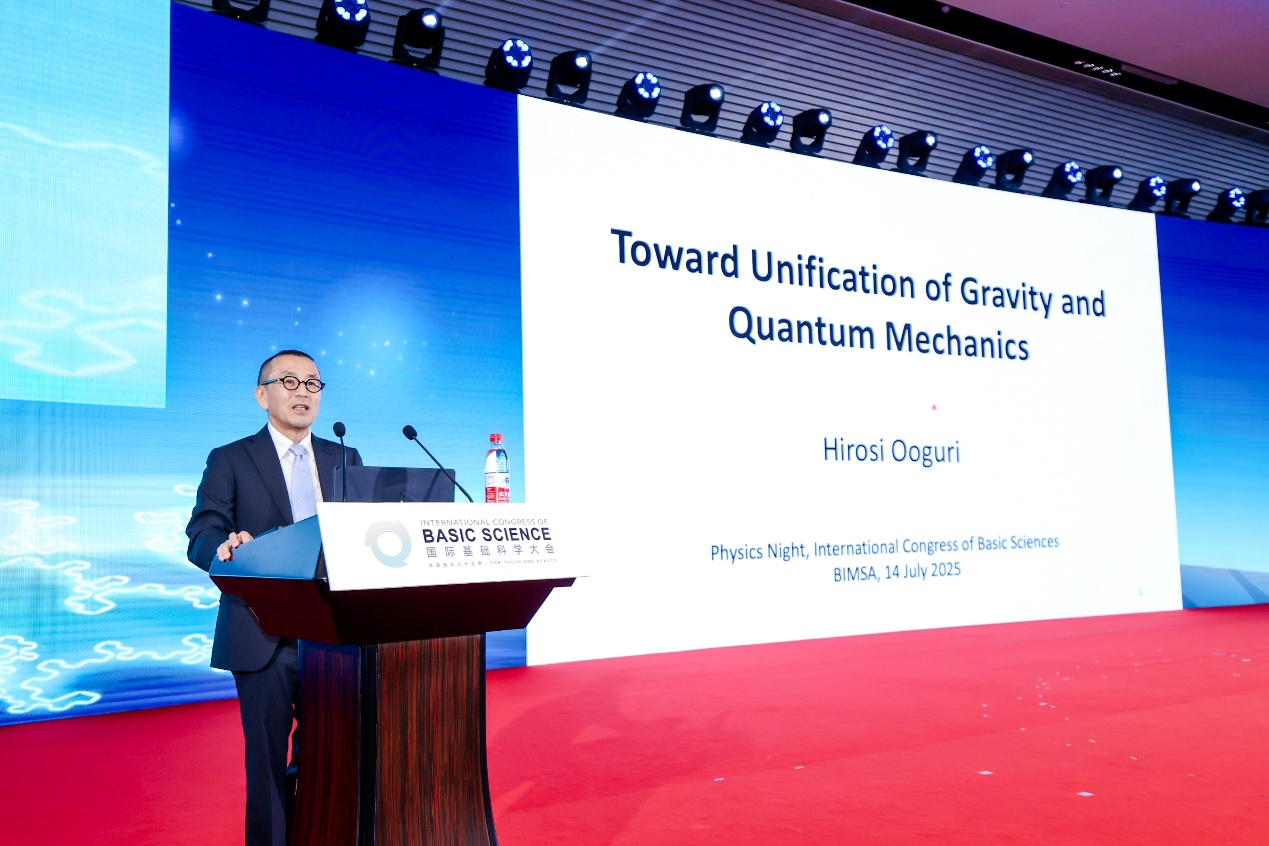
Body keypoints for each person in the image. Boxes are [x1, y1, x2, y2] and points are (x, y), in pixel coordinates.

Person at [186, 349, 361, 846]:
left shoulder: (344, 456)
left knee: (329, 758)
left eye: (312, 383)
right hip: (263, 631)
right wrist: (222, 548)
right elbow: (202, 531)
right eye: (289, 381)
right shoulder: (230, 458)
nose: (303, 392)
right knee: (265, 765)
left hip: (334, 634)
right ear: (262, 395)